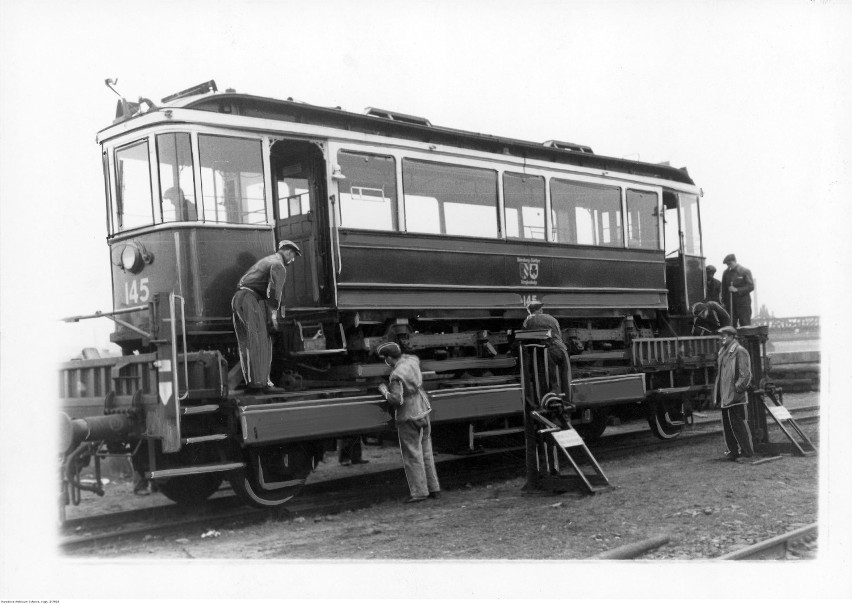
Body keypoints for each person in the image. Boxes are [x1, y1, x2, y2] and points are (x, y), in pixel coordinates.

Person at [231, 240, 302, 391]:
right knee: (261, 341)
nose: (293, 259)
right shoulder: (278, 265)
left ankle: (252, 381)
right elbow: (275, 292)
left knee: (246, 343)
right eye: (293, 255)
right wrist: (273, 315)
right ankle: (260, 384)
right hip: (251, 299)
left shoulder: (266, 260)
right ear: (288, 251)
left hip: (238, 297)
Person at [376, 342, 440, 503]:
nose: (386, 362)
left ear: (390, 358)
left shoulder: (396, 375)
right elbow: (408, 356)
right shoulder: (413, 360)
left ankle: (419, 493)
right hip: (423, 409)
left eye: (386, 359)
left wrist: (384, 390)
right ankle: (434, 489)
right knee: (426, 452)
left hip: (409, 414)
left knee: (412, 455)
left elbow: (396, 400)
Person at [713, 326, 755, 462]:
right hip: (725, 396)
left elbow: (745, 374)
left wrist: (737, 390)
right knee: (728, 426)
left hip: (735, 397)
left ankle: (747, 453)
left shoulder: (739, 351)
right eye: (721, 336)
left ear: (732, 337)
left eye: (724, 336)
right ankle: (733, 452)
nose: (721, 338)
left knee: (738, 425)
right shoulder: (723, 352)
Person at [522, 301, 573, 400]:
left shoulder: (528, 320)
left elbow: (523, 337)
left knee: (548, 375)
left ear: (529, 311)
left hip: (546, 351)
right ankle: (565, 397)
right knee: (564, 374)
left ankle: (551, 398)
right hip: (560, 349)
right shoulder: (552, 318)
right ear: (540, 309)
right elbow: (558, 334)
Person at [720, 254, 754, 328]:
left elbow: (751, 286)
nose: (729, 266)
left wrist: (737, 290)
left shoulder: (745, 271)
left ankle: (745, 339)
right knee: (731, 326)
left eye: (730, 264)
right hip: (730, 305)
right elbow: (723, 289)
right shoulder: (725, 273)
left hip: (743, 304)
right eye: (727, 264)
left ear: (735, 261)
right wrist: (723, 302)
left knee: (745, 326)